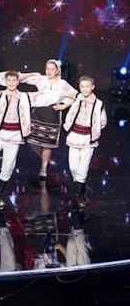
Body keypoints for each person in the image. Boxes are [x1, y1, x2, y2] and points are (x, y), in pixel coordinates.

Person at [0, 71, 40, 209]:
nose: (11, 83)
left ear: (18, 82)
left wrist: (65, 97)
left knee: (7, 169)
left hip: (15, 136)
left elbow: (45, 97)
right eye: (9, 80)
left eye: (14, 80)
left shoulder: (24, 96)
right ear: (5, 82)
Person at [20, 60, 77, 181]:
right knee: (31, 140)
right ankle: (44, 159)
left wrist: (64, 105)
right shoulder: (41, 80)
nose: (49, 71)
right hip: (37, 113)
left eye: (52, 69)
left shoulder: (62, 83)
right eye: (47, 68)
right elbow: (22, 78)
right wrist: (32, 74)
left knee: (47, 143)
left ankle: (43, 169)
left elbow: (74, 94)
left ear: (57, 70)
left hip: (52, 114)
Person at [63, 76, 107, 209]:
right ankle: (84, 189)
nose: (84, 89)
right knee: (73, 167)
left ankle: (77, 197)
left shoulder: (98, 104)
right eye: (82, 86)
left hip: (88, 138)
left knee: (82, 168)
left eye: (87, 86)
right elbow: (70, 114)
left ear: (92, 87)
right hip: (74, 136)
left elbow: (103, 122)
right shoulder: (77, 99)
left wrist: (94, 130)